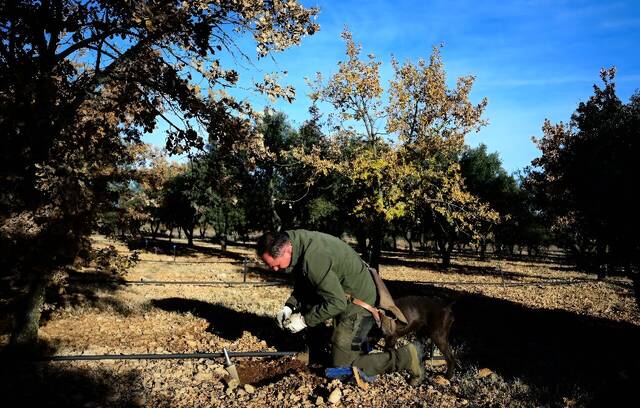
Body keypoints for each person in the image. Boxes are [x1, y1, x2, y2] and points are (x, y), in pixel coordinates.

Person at [257, 229, 425, 385]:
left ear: (286, 250)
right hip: (340, 294)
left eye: (276, 264)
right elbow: (305, 283)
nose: (275, 269)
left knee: (341, 368)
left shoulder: (313, 259)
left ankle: (407, 357)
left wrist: (303, 320)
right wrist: (289, 307)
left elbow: (336, 302)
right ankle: (315, 351)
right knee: (310, 308)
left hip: (358, 301)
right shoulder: (295, 240)